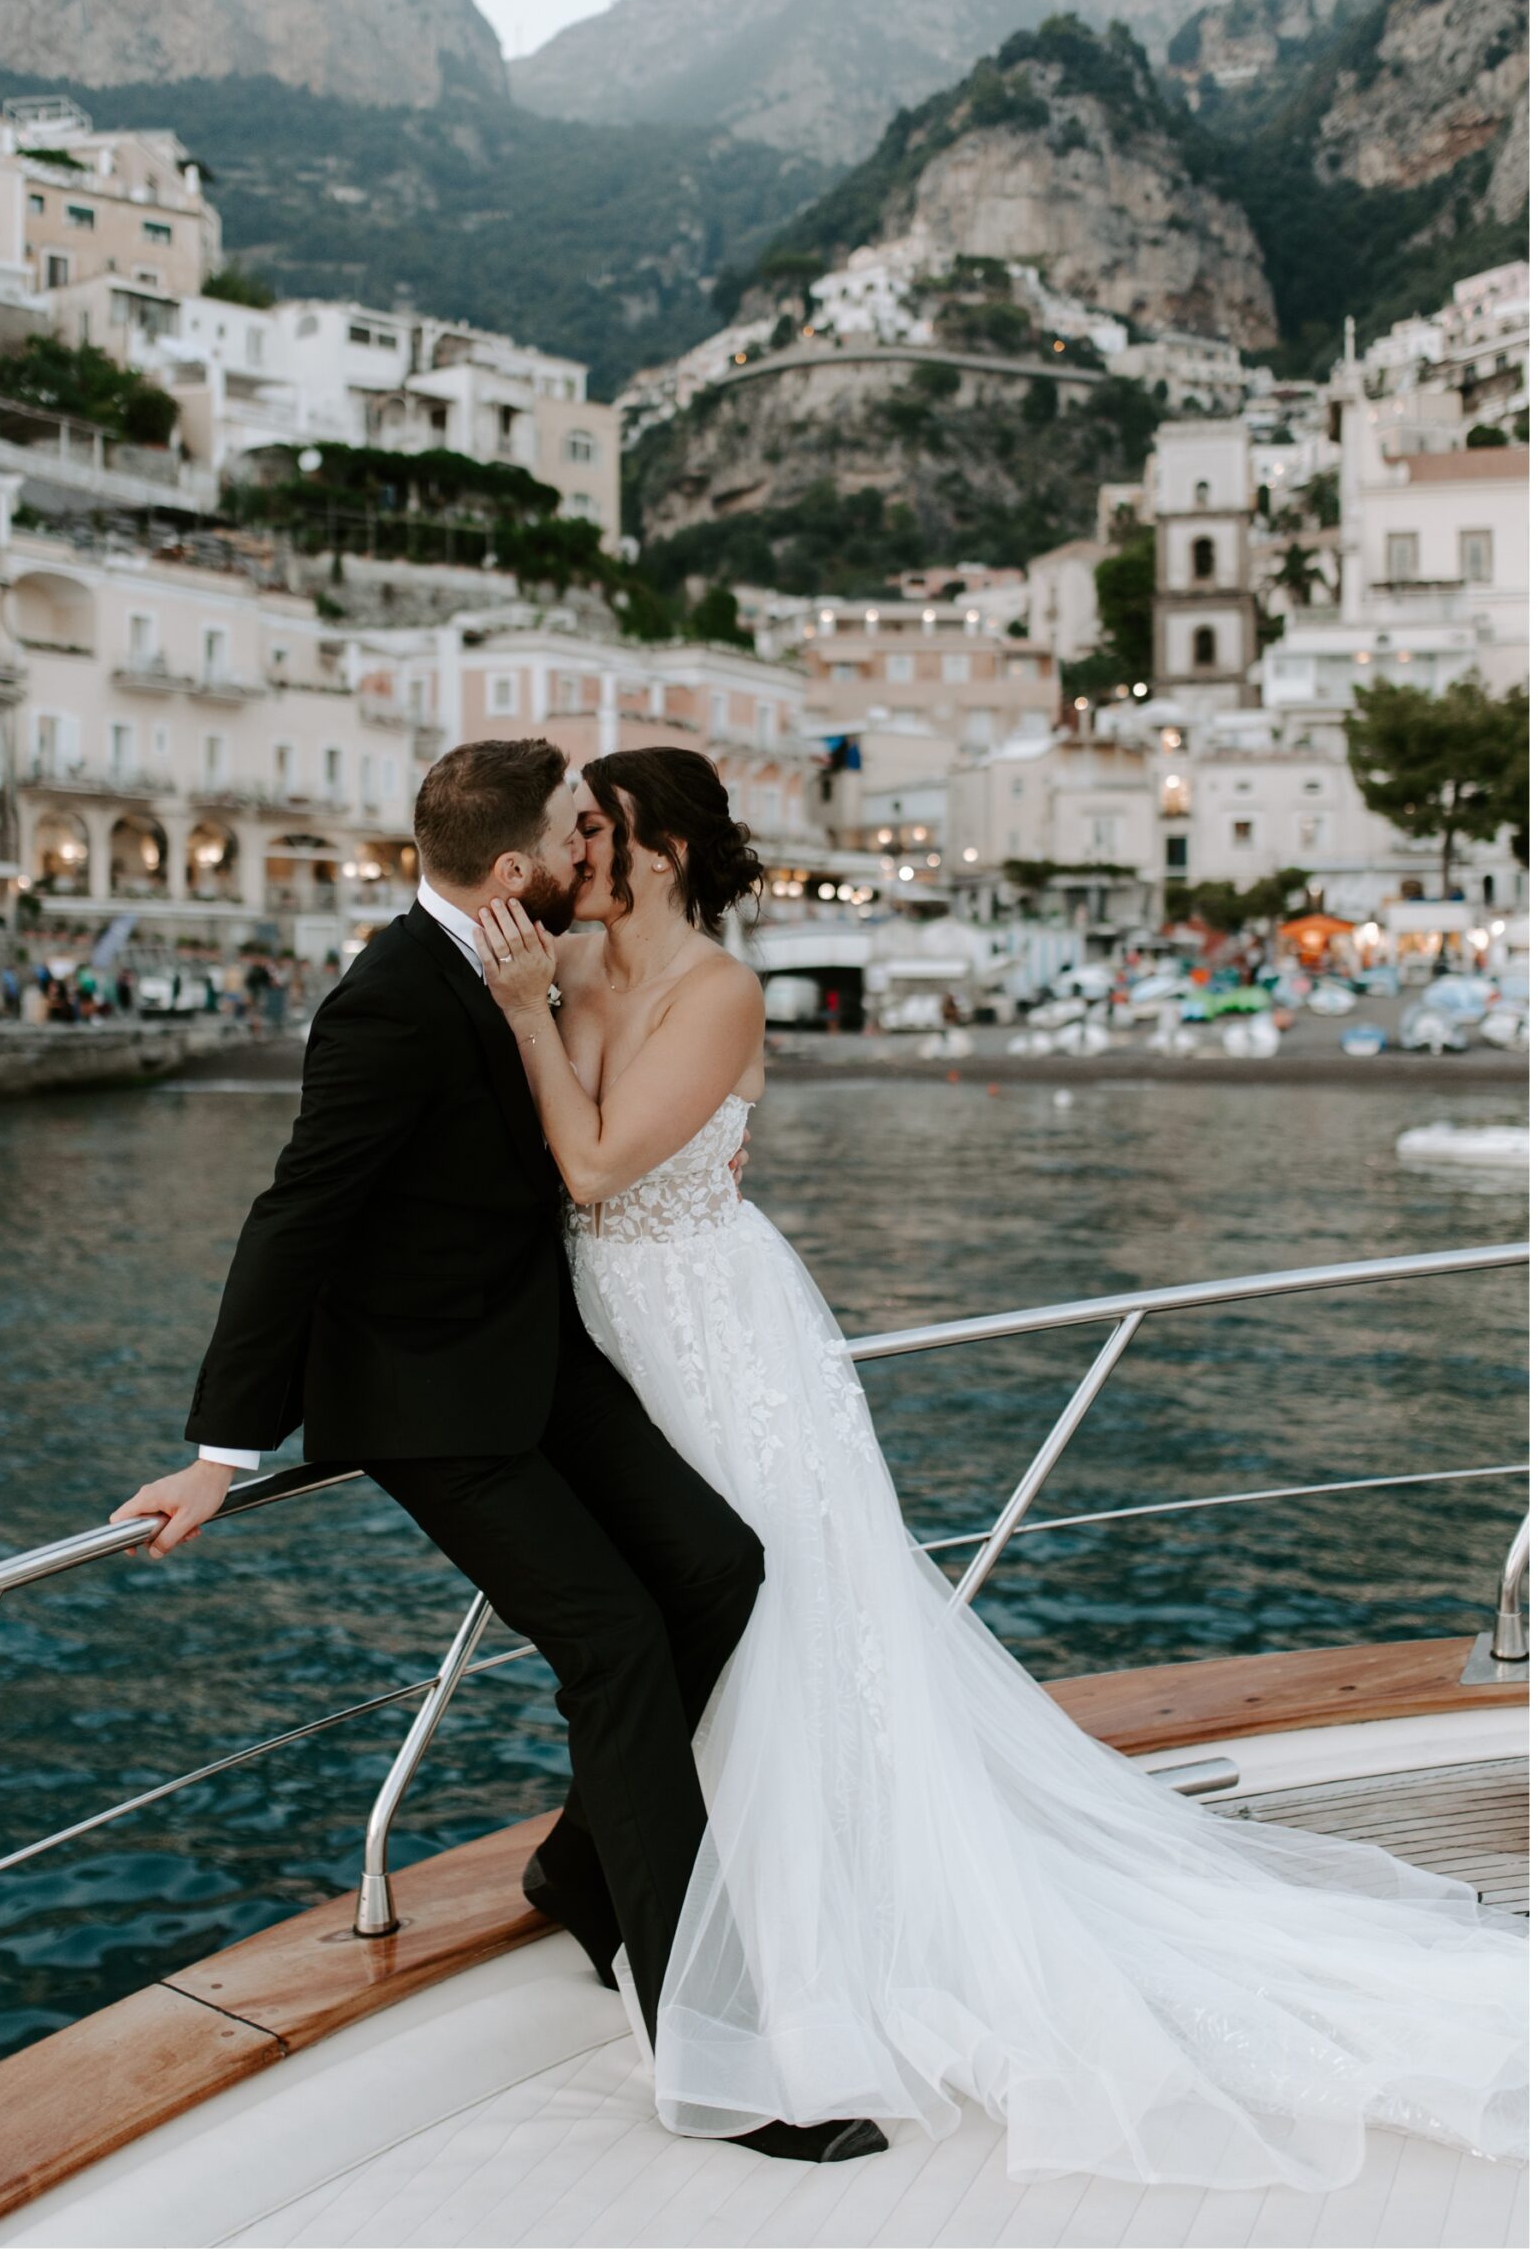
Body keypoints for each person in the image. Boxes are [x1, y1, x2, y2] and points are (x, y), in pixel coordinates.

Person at [468, 745, 1525, 2188]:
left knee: (778, 1616)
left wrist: (528, 1016)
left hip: (721, 1332)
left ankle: (760, 1920)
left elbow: (594, 1167)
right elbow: (553, 1170)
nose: (570, 852)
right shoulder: (580, 976)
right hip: (616, 1336)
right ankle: (613, 1871)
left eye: (595, 831)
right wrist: (536, 1012)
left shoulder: (715, 992)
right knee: (657, 1614)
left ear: (656, 852)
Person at [108, 739, 881, 2168]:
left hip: (537, 1354)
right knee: (617, 1643)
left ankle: (580, 1866)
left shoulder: (531, 958)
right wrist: (221, 1448)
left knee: (720, 1567)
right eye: (574, 832)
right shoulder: (389, 1000)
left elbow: (583, 1138)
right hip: (427, 1401)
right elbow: (298, 1216)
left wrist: (706, 1140)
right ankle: (716, 2056)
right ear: (518, 866)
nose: (591, 847)